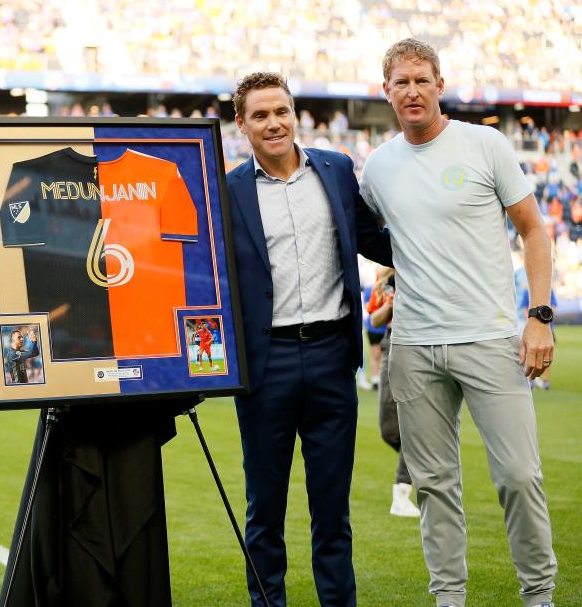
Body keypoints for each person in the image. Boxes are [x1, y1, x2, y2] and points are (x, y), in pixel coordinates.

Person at [360, 38, 557, 607]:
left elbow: (534, 231)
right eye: (402, 82)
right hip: (416, 347)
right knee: (434, 486)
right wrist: (390, 271)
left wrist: (539, 317)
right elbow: (385, 235)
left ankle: (538, 596)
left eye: (423, 79)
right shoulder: (378, 167)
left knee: (519, 477)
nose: (413, 90)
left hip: (492, 338)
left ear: (440, 85)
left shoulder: (484, 144)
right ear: (387, 92)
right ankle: (449, 597)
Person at [226, 72, 392, 607]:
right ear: (241, 124)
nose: (273, 123)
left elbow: (378, 243)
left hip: (330, 358)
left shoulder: (337, 170)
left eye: (281, 111)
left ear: (295, 113)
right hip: (265, 362)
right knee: (264, 509)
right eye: (260, 115)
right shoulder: (226, 190)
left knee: (332, 511)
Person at [366, 268, 420, 517]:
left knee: (414, 423)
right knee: (388, 428)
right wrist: (391, 307)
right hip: (391, 341)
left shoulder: (421, 266)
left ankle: (402, 493)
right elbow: (373, 320)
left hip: (419, 342)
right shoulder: (385, 277)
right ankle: (427, 457)